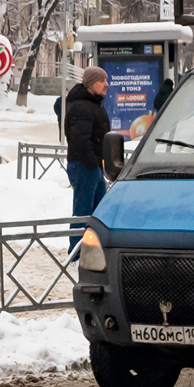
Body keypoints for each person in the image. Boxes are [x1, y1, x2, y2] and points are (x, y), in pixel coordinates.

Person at [64, 65, 111, 249]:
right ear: (91, 84)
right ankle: (76, 254)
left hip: (93, 165)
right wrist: (92, 163)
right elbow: (79, 140)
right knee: (83, 212)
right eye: (102, 81)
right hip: (84, 165)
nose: (106, 84)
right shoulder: (81, 107)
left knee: (100, 211)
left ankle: (95, 251)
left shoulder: (93, 104)